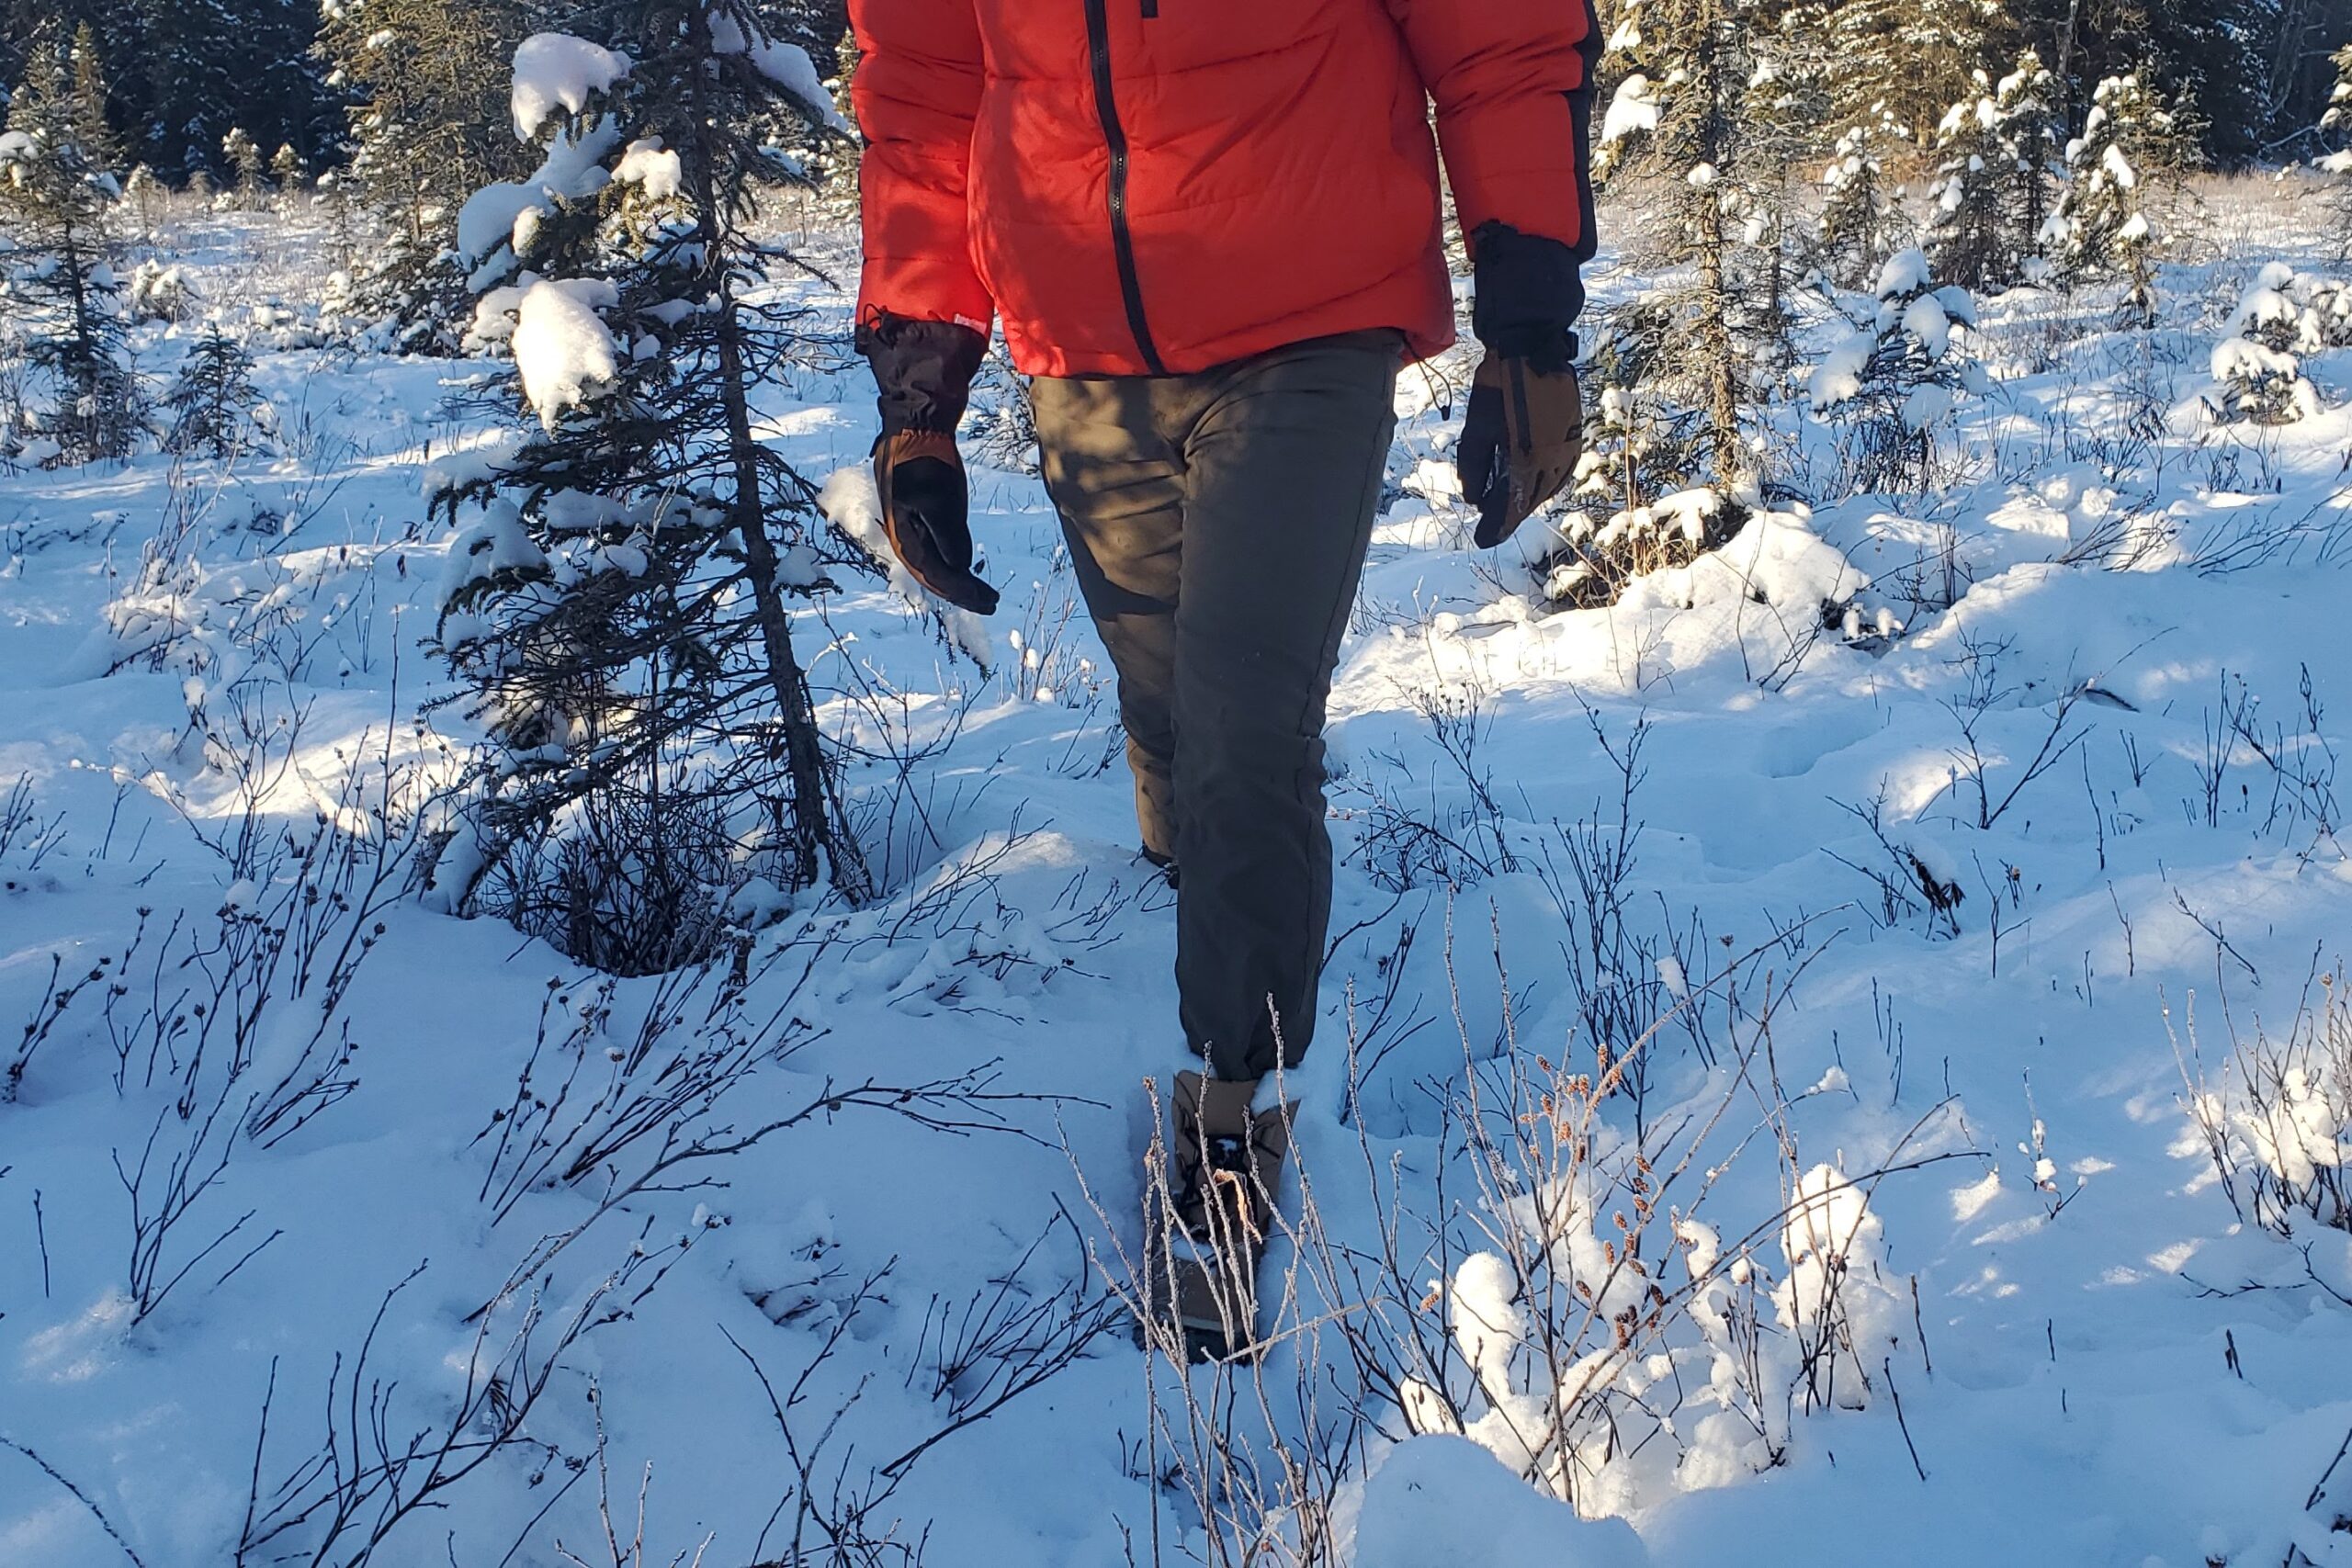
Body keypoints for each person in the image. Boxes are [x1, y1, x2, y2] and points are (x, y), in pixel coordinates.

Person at [849, 0, 1597, 1356]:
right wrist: (917, 402)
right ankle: (1204, 896)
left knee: (1247, 727)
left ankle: (1230, 1112)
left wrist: (1529, 319)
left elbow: (1500, 38)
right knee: (1179, 724)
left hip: (1308, 322)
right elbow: (923, 88)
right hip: (1087, 353)